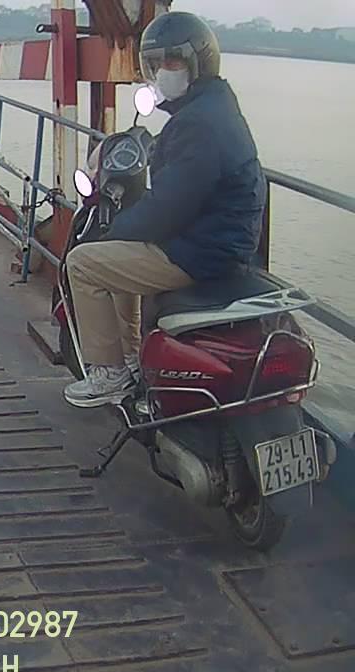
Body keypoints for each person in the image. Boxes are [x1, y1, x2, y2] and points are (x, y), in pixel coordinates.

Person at [63, 11, 267, 407]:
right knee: (116, 256)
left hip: (201, 251)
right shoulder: (213, 108)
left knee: (85, 262)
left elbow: (170, 206)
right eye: (155, 64)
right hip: (220, 239)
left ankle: (109, 373)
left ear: (197, 62)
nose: (161, 73)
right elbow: (192, 173)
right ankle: (131, 357)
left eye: (171, 62)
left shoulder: (198, 124)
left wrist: (115, 229)